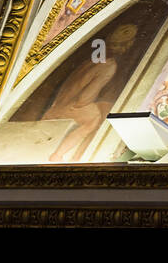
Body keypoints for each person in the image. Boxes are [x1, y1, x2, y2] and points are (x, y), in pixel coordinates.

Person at [43, 22, 139, 162]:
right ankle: (59, 155)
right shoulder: (109, 65)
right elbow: (84, 99)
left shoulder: (91, 60)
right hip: (66, 109)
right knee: (94, 119)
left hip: (56, 106)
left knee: (100, 109)